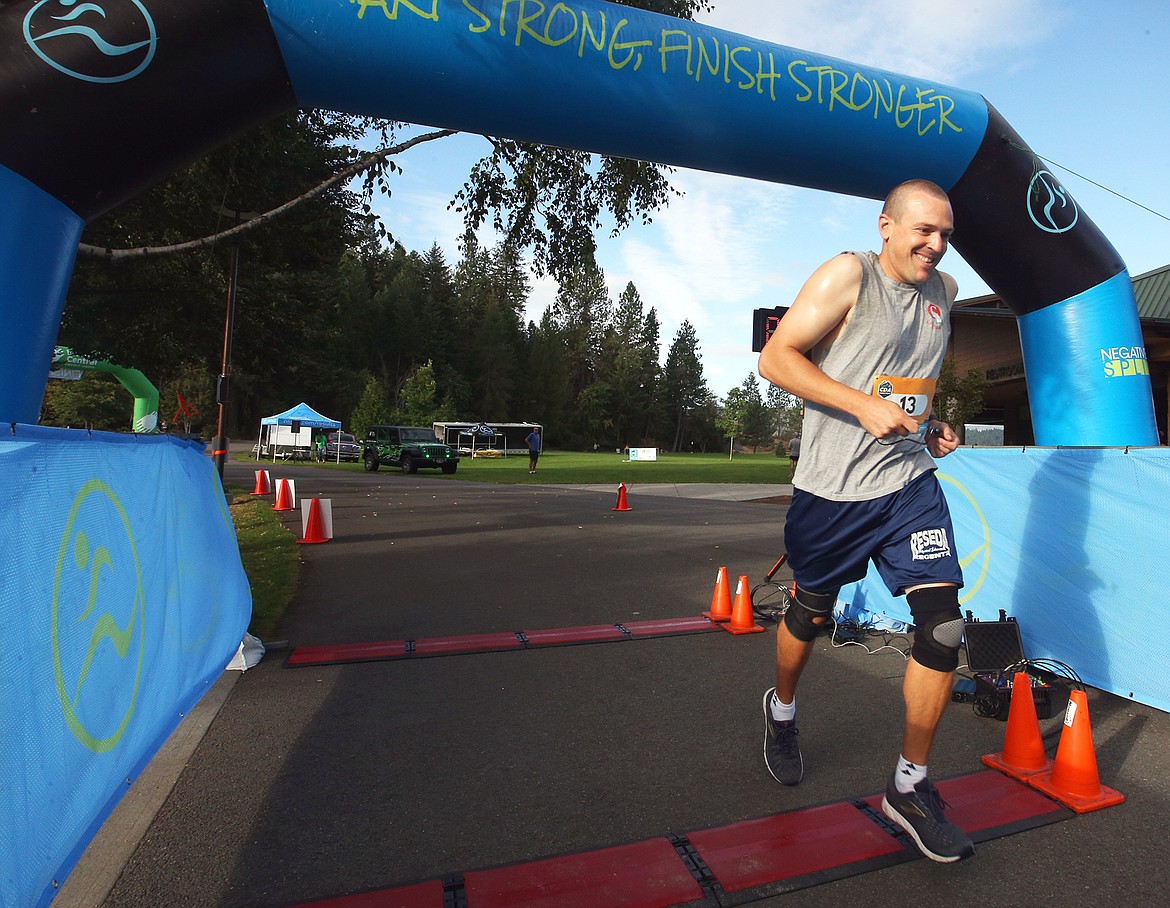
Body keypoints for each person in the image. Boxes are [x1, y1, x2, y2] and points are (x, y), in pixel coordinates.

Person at [756, 179, 973, 864]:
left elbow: (907, 380)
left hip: (907, 483)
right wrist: (858, 406)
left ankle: (909, 786)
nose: (935, 245)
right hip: (830, 491)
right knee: (810, 613)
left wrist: (932, 424)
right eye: (922, 231)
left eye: (944, 233)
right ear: (886, 226)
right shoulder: (848, 274)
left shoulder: (946, 294)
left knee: (943, 625)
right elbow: (776, 359)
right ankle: (782, 712)